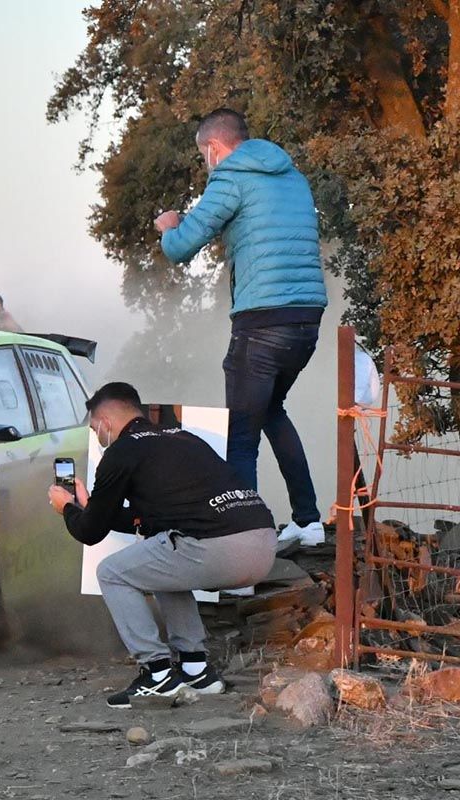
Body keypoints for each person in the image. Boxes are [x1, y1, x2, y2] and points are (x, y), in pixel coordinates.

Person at [154, 108, 328, 547]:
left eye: (203, 155)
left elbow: (180, 247)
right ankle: (307, 521)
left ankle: (242, 543)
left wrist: (169, 227)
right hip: (307, 320)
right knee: (272, 411)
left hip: (262, 322)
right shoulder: (293, 176)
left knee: (241, 435)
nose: (205, 164)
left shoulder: (230, 176)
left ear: (213, 148)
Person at [48, 382, 277, 708]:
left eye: (95, 430)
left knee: (112, 572)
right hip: (263, 544)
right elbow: (142, 522)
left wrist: (66, 508)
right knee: (159, 556)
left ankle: (157, 674)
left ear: (105, 424)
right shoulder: (183, 439)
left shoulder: (120, 452)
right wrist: (88, 507)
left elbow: (90, 533)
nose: (98, 438)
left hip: (218, 550)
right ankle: (197, 669)